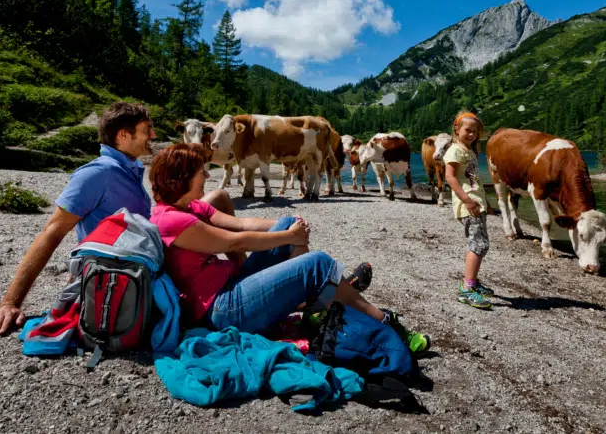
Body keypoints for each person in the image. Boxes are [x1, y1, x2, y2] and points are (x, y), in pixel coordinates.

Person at [149, 143, 425, 348]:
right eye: (201, 172)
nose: (207, 178)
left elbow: (242, 225)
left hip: (229, 285)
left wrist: (291, 226)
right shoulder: (171, 220)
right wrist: (289, 238)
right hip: (221, 310)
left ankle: (318, 296)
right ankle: (385, 322)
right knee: (317, 263)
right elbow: (235, 241)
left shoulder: (190, 205)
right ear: (181, 179)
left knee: (287, 222)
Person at [0, 102, 159, 336]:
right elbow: (53, 231)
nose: (153, 135)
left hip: (131, 274)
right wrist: (9, 304)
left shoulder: (128, 171)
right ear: (123, 135)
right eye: (147, 129)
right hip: (111, 281)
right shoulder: (97, 173)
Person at [443, 110, 495, 310]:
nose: (471, 134)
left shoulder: (469, 150)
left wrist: (485, 202)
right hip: (468, 204)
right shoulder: (455, 150)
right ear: (457, 129)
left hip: (475, 202)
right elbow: (450, 177)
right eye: (467, 130)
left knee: (480, 243)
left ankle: (472, 281)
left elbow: (474, 180)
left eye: (475, 131)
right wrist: (466, 200)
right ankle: (467, 287)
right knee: (478, 245)